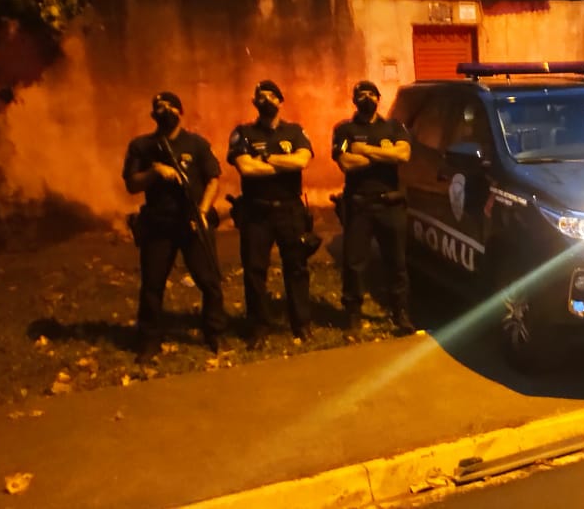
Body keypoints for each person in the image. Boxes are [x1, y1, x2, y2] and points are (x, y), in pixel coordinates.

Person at [122, 91, 228, 362]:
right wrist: (155, 172)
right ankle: (149, 340)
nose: (164, 110)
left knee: (209, 282)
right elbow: (132, 184)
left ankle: (214, 333)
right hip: (158, 224)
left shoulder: (196, 144)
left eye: (170, 106)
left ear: (181, 112)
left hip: (192, 221)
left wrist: (203, 211)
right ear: (152, 114)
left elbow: (213, 179)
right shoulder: (142, 146)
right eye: (159, 106)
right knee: (152, 285)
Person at [226, 80, 316, 346]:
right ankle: (259, 326)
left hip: (290, 210)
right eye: (261, 96)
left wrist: (265, 158)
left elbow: (302, 161)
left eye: (271, 96)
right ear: (254, 102)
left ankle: (301, 323)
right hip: (256, 211)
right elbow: (246, 168)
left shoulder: (295, 131)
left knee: (297, 267)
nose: (266, 100)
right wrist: (283, 164)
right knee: (254, 271)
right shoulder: (243, 133)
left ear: (280, 100)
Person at [331, 80, 416, 335]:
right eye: (361, 94)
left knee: (397, 262)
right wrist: (383, 154)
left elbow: (403, 155)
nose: (366, 98)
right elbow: (346, 163)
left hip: (390, 204)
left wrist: (364, 150)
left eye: (371, 93)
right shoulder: (344, 129)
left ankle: (400, 312)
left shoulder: (394, 127)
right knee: (354, 263)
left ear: (379, 98)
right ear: (354, 100)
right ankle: (353, 314)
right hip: (359, 205)